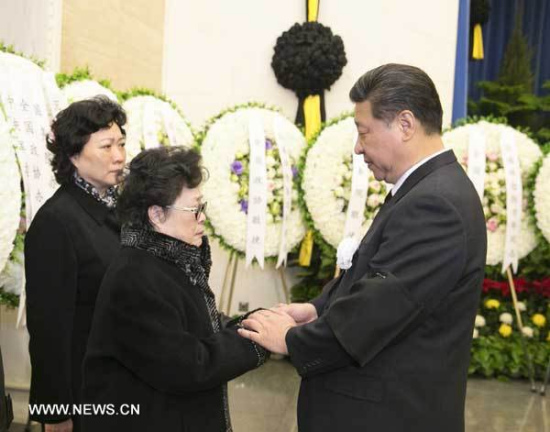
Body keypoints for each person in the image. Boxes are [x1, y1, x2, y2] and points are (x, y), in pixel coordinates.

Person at [239, 63, 487, 432]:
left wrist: (291, 339)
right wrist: (316, 308)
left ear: (405, 124)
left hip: (388, 414)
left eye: (363, 132)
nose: (358, 148)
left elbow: (378, 309)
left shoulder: (436, 204)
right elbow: (374, 274)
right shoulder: (427, 188)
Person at [81, 146, 267, 432]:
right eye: (194, 209)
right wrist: (258, 341)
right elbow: (189, 366)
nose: (202, 217)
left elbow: (199, 324)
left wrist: (257, 323)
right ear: (156, 214)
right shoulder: (134, 278)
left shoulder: (170, 257)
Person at [25, 96, 127, 432]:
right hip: (84, 392)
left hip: (121, 383)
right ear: (73, 155)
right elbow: (48, 329)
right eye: (106, 146)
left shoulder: (117, 209)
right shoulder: (56, 221)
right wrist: (54, 414)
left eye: (122, 144)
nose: (119, 156)